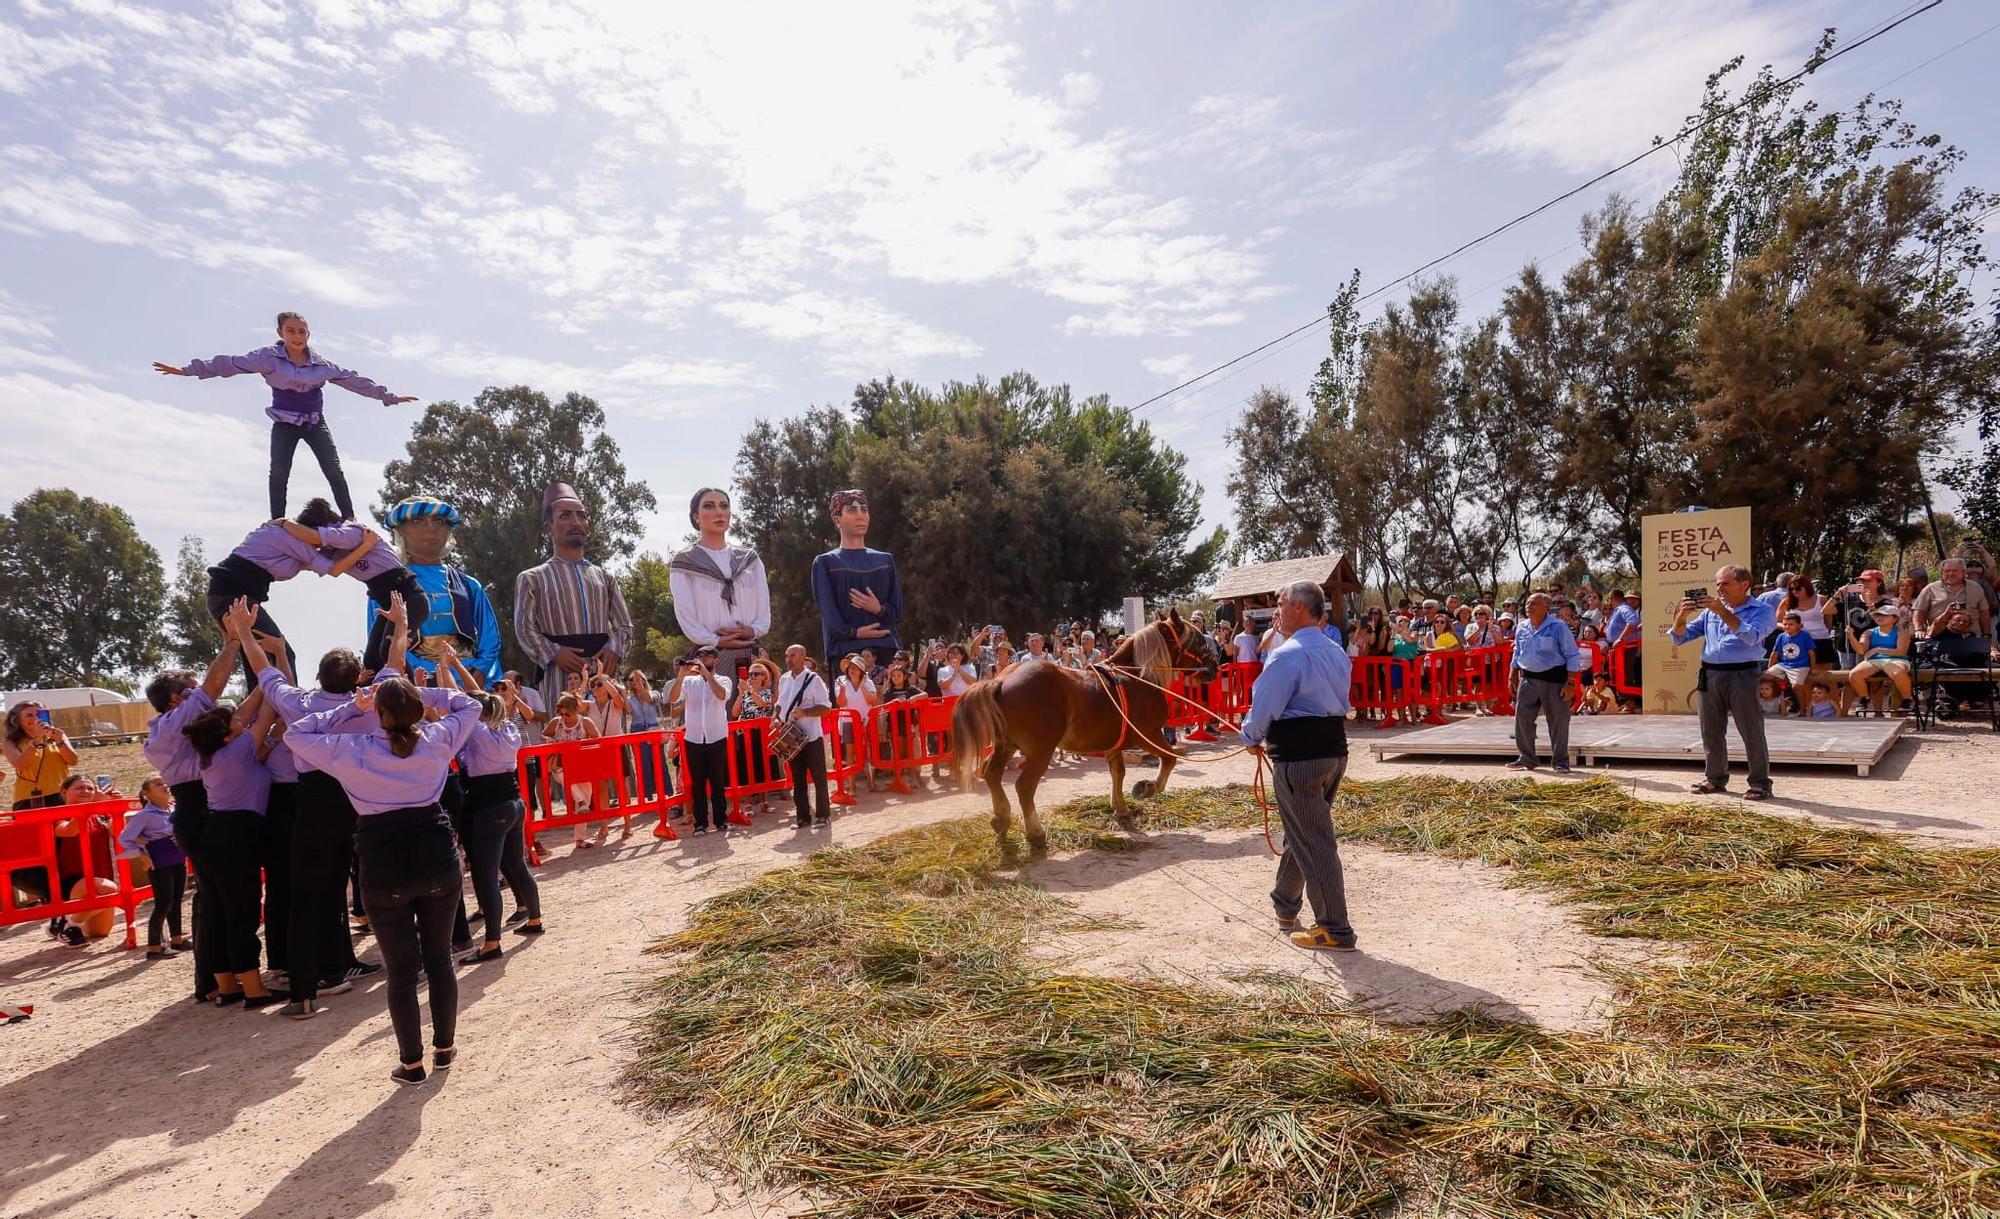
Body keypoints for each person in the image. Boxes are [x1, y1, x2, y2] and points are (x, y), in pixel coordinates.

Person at [245, 615, 480, 1086]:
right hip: (434, 848)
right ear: (412, 709)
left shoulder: (351, 750)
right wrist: (420, 695)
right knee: (438, 959)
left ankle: (411, 1062)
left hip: (383, 856)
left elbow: (294, 736)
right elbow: (466, 704)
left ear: (376, 710)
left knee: (400, 969)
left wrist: (349, 706)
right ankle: (445, 1047)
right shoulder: (435, 740)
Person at [154, 311, 419, 520]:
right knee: (279, 471)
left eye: (301, 331)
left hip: (315, 422)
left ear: (308, 334)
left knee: (334, 470)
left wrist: (389, 397)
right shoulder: (267, 358)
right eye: (290, 330)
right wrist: (187, 370)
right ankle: (277, 521)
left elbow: (354, 381)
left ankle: (350, 518)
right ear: (280, 332)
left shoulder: (322, 366)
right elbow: (228, 365)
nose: (297, 335)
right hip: (285, 421)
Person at [1240, 581, 1357, 952]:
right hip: (1333, 753)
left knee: (1314, 840)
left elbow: (1265, 706)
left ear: (1300, 609)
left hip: (1300, 759)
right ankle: (1285, 904)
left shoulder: (1287, 654)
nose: (1277, 609)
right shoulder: (1335, 651)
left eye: (1281, 603)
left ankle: (1335, 929)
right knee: (1303, 830)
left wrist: (1250, 736)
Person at [182, 610, 281, 1008]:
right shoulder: (239, 749)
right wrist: (270, 667)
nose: (239, 720)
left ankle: (226, 985)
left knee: (220, 911)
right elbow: (267, 708)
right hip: (237, 835)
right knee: (242, 911)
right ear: (226, 733)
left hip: (212, 836)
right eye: (233, 721)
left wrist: (263, 669)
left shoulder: (213, 753)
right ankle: (254, 988)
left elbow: (247, 710)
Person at [206, 501, 374, 680]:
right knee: (280, 652)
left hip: (231, 597)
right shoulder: (292, 538)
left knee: (259, 660)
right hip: (233, 596)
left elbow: (314, 563)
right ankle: (287, 704)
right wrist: (367, 545)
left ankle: (267, 705)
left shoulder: (288, 539)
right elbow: (333, 569)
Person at [514, 482, 634, 714]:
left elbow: (624, 625)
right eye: (566, 516)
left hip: (603, 675)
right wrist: (554, 652)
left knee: (610, 742)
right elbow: (524, 628)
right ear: (548, 527)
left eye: (581, 516)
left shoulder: (605, 577)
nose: (576, 522)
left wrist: (614, 650)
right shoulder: (532, 578)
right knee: (565, 740)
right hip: (559, 677)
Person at [451, 684, 544, 969]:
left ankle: (492, 943)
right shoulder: (509, 731)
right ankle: (535, 919)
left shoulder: (478, 732)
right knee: (517, 866)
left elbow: (463, 701)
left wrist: (447, 672)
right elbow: (475, 699)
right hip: (514, 803)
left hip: (490, 809)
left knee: (487, 875)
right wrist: (451, 663)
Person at [1672, 565, 1777, 800]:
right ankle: (1715, 778)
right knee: (1710, 730)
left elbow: (1752, 637)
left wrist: (1723, 612)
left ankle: (1760, 782)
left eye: (1725, 584)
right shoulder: (1710, 612)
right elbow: (1680, 637)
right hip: (1710, 674)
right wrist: (1680, 617)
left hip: (1742, 674)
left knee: (1751, 730)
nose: (1719, 588)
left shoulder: (1762, 610)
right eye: (1717, 583)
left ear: (1744, 585)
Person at [374, 497, 503, 682]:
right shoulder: (388, 584)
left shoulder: (469, 584)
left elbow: (490, 636)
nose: (431, 528)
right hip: (413, 682)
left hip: (467, 680)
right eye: (418, 521)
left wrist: (479, 671)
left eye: (439, 521)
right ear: (400, 530)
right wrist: (416, 673)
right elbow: (380, 640)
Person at [670, 487, 770, 678]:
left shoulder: (750, 559)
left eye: (724, 506)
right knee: (712, 706)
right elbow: (686, 615)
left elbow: (764, 610)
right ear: (696, 517)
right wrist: (715, 640)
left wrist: (752, 630)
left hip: (751, 655)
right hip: (709, 656)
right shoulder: (685, 563)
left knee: (752, 706)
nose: (719, 512)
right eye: (709, 506)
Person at [811, 489, 903, 673]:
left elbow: (897, 612)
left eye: (864, 509)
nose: (860, 515)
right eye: (852, 510)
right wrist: (854, 633)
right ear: (837, 519)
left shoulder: (885, 561)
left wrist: (878, 608)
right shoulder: (825, 563)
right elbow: (829, 614)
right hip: (845, 654)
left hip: (886, 651)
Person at [1507, 593, 1584, 773]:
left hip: (1555, 680)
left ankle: (1560, 761)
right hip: (1528, 679)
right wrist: (1512, 674)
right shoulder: (1522, 627)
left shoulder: (1558, 627)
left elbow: (1572, 654)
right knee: (1522, 719)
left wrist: (1570, 683)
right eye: (1527, 603)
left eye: (1534, 604)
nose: (1529, 606)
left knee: (1558, 721)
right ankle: (1526, 758)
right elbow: (1517, 651)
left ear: (1546, 608)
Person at [116, 776, 190, 959]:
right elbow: (124, 838)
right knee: (163, 903)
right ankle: (154, 947)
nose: (164, 785)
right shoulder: (145, 816)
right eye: (157, 784)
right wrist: (141, 853)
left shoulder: (173, 809)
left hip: (178, 860)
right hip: (159, 863)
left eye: (164, 782)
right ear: (147, 794)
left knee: (176, 900)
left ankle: (177, 939)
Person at [670, 645, 734, 833]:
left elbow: (722, 695)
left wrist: (706, 673)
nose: (701, 659)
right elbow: (673, 699)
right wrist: (681, 674)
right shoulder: (689, 682)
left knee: (717, 781)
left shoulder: (724, 680)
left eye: (706, 656)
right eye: (699, 656)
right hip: (694, 738)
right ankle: (700, 824)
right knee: (697, 783)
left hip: (716, 736)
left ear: (715, 660)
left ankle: (721, 820)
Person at [777, 644, 833, 827]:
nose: (788, 659)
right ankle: (802, 817)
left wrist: (806, 712)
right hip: (792, 737)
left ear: (803, 657)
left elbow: (825, 707)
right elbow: (779, 703)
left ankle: (823, 815)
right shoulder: (784, 679)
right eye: (787, 655)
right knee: (798, 778)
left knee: (818, 777)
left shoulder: (813, 679)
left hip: (811, 736)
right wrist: (775, 718)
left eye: (792, 655)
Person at [5, 702, 77, 810]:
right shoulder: (11, 742)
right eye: (29, 715)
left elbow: (73, 761)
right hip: (30, 798)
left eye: (39, 714)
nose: (35, 718)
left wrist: (60, 742)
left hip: (61, 794)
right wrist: (36, 739)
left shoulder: (57, 735)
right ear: (17, 720)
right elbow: (20, 765)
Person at [1913, 558, 1993, 638]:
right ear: (1941, 573)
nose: (1950, 574)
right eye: (1947, 571)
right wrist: (1918, 629)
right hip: (1939, 637)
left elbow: (1984, 612)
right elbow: (1919, 610)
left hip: (1971, 637)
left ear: (1963, 572)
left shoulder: (1975, 588)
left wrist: (1987, 634)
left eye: (1955, 571)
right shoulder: (1931, 588)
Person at [1765, 611, 1816, 715]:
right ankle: (1779, 703)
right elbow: (1775, 653)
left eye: (1791, 624)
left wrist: (1813, 667)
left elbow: (1811, 652)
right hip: (1784, 665)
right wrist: (1770, 667)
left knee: (1796, 686)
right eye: (1785, 624)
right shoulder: (1781, 637)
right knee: (1765, 678)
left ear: (1799, 625)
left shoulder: (1804, 636)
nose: (1787, 626)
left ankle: (1802, 709)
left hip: (1800, 665)